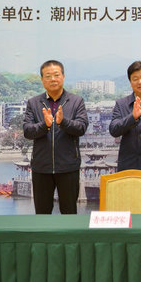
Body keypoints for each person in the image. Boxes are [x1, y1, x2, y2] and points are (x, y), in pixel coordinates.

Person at [23, 60, 88, 214]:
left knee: (69, 213)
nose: (52, 79)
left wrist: (62, 122)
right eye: (48, 76)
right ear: (42, 80)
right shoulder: (33, 103)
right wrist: (44, 125)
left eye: (56, 75)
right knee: (42, 214)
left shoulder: (76, 101)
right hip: (41, 168)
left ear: (63, 77)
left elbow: (81, 127)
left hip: (68, 167)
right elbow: (27, 131)